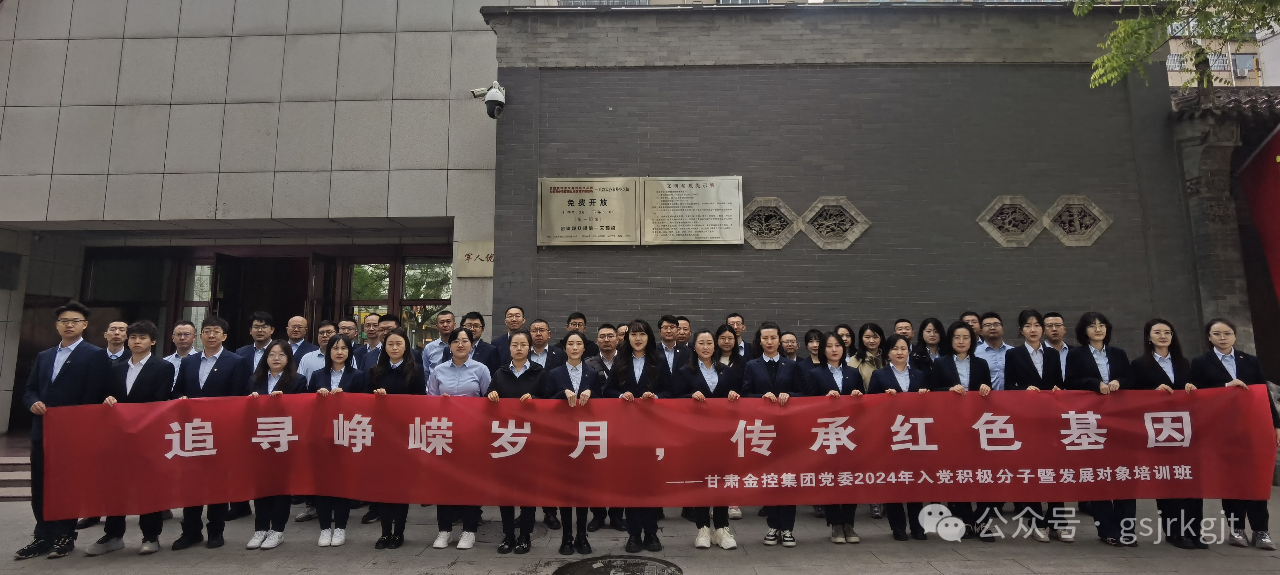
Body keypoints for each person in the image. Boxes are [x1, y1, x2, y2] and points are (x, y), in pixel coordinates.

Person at [15, 302, 110, 560]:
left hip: (73, 433)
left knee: (67, 484)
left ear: (84, 325)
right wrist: (32, 402)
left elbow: (95, 394)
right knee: (40, 483)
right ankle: (42, 535)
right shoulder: (45, 356)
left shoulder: (94, 355)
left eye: (75, 321)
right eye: (64, 321)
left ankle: (65, 535)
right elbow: (30, 389)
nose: (69, 325)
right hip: (43, 430)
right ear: (57, 325)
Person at [83, 320, 174, 557]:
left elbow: (160, 400)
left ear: (152, 341)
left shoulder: (163, 367)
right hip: (118, 438)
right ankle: (113, 534)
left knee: (148, 487)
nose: (136, 341)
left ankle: (151, 535)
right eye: (133, 337)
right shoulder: (117, 368)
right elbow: (106, 395)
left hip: (148, 437)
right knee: (116, 486)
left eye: (142, 337)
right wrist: (108, 400)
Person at [1190, 318, 1280, 550]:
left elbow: (1264, 393)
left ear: (1234, 336)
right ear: (1209, 337)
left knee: (1256, 478)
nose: (1222, 337)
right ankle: (1236, 528)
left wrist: (1275, 424)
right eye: (1217, 334)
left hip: (1252, 428)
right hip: (1221, 430)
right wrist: (1225, 389)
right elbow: (1196, 395)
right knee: (1231, 479)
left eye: (1227, 333)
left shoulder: (1249, 360)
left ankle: (1261, 530)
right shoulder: (1200, 362)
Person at [170, 316, 252, 552]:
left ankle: (216, 531)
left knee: (218, 483)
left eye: (216, 331)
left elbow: (238, 398)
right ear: (201, 336)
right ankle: (191, 531)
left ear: (224, 336)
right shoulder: (189, 361)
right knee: (191, 483)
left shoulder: (236, 362)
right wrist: (180, 399)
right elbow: (177, 390)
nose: (211, 335)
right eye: (207, 331)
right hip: (193, 431)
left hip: (220, 432)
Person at [1130, 319, 1202, 550]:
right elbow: (1133, 396)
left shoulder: (1183, 362)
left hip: (1186, 430)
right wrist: (1153, 393)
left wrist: (1191, 388)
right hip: (1159, 431)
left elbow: (1195, 390)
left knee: (1191, 480)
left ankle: (1195, 532)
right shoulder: (1140, 364)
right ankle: (1174, 532)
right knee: (1168, 481)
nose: (1163, 336)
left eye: (1167, 332)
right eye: (1157, 332)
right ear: (1148, 337)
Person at [1064, 311, 1133, 547]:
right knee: (1098, 475)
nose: (1098, 329)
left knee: (1124, 475)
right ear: (1084, 330)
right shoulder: (1076, 355)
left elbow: (1131, 379)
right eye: (1092, 326)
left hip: (1120, 421)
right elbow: (1070, 382)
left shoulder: (1118, 353)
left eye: (1102, 325)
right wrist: (1095, 384)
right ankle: (1107, 529)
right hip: (1092, 422)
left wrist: (1119, 382)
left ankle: (1127, 529)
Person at [603, 319, 671, 553]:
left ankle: (651, 532)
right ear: (627, 338)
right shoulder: (620, 361)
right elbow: (607, 391)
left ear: (649, 337)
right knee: (631, 484)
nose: (638, 338)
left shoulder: (658, 361)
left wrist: (657, 397)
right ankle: (633, 534)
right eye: (633, 334)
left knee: (650, 484)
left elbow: (670, 391)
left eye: (642, 334)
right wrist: (620, 396)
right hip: (627, 433)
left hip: (652, 432)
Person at [673, 329, 741, 550]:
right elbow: (674, 399)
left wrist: (733, 396)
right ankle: (702, 527)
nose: (705, 347)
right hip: (696, 437)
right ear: (694, 346)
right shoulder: (684, 372)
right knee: (701, 480)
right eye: (701, 343)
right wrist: (689, 397)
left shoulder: (726, 371)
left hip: (722, 435)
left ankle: (721, 528)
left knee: (722, 479)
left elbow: (738, 397)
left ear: (715, 346)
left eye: (709, 342)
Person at [1002, 310, 1066, 543]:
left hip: (1051, 420)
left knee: (1055, 471)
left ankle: (1058, 522)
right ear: (1021, 330)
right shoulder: (1013, 354)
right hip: (1026, 420)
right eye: (1028, 325)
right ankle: (1036, 521)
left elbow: (1059, 383)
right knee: (1032, 471)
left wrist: (1058, 390)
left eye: (1037, 325)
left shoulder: (1052, 354)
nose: (1033, 329)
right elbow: (1009, 386)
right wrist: (1023, 390)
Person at [742, 321, 807, 547]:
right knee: (769, 480)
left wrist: (790, 396)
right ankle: (772, 525)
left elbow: (803, 393)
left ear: (780, 340)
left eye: (773, 338)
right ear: (759, 341)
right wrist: (760, 398)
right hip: (764, 433)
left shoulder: (792, 365)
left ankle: (787, 528)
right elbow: (745, 394)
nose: (769, 342)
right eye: (765, 338)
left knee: (788, 480)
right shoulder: (752, 365)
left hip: (788, 431)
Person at [425, 326, 491, 550]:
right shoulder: (439, 370)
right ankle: (444, 530)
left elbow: (489, 401)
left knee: (471, 482)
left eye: (465, 341)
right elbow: (429, 399)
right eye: (456, 341)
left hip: (472, 435)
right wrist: (440, 402)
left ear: (472, 345)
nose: (460, 344)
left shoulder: (481, 370)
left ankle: (469, 530)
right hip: (444, 434)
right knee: (444, 482)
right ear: (450, 345)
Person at [928, 322, 994, 542]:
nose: (961, 341)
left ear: (972, 340)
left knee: (983, 475)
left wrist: (986, 389)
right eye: (957, 337)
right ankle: (965, 520)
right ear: (950, 340)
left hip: (978, 427)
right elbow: (932, 391)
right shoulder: (941, 363)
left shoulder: (981, 363)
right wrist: (948, 390)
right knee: (960, 474)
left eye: (966, 337)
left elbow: (989, 393)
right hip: (952, 427)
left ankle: (982, 521)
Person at [359, 328, 424, 549]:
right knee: (383, 485)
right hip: (381, 435)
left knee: (401, 487)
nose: (394, 348)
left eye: (398, 344)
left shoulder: (416, 371)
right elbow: (364, 400)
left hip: (405, 436)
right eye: (390, 344)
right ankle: (385, 532)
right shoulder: (375, 371)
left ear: (406, 346)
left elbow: (421, 401)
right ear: (384, 347)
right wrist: (375, 398)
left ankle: (399, 532)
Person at [488, 330, 548, 554]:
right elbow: (489, 397)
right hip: (505, 439)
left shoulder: (539, 372)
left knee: (527, 490)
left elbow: (550, 401)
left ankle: (525, 536)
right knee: (505, 490)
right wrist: (491, 396)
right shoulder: (500, 373)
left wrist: (536, 400)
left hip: (531, 439)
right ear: (510, 348)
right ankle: (508, 535)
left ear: (529, 348)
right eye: (515, 345)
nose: (519, 348)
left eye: (523, 344)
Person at [246, 341, 307, 551]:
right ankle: (260, 528)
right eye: (272, 354)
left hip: (284, 440)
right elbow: (244, 410)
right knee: (262, 485)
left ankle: (277, 530)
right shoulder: (255, 380)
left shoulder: (298, 380)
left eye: (281, 355)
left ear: (289, 358)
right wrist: (251, 400)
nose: (276, 358)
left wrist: (285, 401)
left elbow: (302, 409)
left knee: (281, 486)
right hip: (261, 439)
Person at [867, 334, 929, 541]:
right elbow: (871, 404)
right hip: (890, 435)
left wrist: (925, 395)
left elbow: (930, 406)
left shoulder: (919, 374)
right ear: (888, 352)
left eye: (903, 348)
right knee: (894, 481)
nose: (900, 352)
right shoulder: (879, 375)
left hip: (915, 435)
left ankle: (918, 526)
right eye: (895, 348)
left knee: (915, 481)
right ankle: (898, 527)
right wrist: (884, 398)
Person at [806, 331, 864, 545]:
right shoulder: (815, 373)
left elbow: (864, 403)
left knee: (849, 479)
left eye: (837, 345)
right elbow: (807, 403)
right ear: (823, 350)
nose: (834, 349)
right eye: (829, 346)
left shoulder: (853, 372)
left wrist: (858, 397)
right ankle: (835, 524)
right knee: (830, 478)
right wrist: (824, 399)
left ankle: (849, 523)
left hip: (850, 434)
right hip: (827, 433)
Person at [308, 334, 363, 548]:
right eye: (335, 348)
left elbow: (363, 405)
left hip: (346, 436)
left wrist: (346, 397)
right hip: (321, 437)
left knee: (342, 484)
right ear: (328, 351)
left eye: (344, 348)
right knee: (323, 484)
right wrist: (317, 396)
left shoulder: (357, 376)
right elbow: (306, 405)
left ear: (349, 352)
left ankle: (340, 527)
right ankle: (324, 528)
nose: (339, 352)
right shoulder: (317, 375)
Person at [77, 318, 132, 530]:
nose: (117, 332)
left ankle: (117, 515)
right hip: (94, 421)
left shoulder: (133, 358)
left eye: (122, 330)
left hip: (123, 423)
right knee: (94, 471)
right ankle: (92, 512)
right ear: (105, 334)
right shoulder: (93, 357)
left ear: (127, 336)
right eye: (113, 329)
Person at [548, 331, 599, 556]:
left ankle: (582, 535)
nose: (575, 347)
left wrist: (591, 393)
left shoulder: (592, 373)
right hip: (562, 438)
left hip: (585, 439)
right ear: (565, 348)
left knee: (583, 489)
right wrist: (562, 393)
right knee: (566, 490)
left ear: (584, 348)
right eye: (571, 343)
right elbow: (546, 402)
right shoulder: (554, 373)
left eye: (579, 343)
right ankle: (567, 536)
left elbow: (603, 403)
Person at [583, 323, 626, 532]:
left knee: (619, 471)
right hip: (595, 424)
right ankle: (598, 514)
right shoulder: (588, 363)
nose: (606, 340)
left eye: (610, 336)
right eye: (602, 336)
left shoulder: (626, 361)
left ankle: (617, 515)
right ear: (597, 340)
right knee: (595, 471)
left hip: (621, 424)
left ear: (617, 339)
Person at [711, 323, 748, 522]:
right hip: (712, 417)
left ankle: (733, 501)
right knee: (714, 459)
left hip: (736, 416)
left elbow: (748, 387)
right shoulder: (710, 360)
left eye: (730, 338)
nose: (727, 342)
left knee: (733, 460)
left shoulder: (743, 362)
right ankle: (713, 499)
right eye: (723, 338)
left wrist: (738, 395)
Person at [974, 312, 1014, 391]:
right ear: (981, 331)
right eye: (987, 325)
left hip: (1011, 396)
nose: (992, 328)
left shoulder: (1013, 352)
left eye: (996, 324)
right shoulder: (974, 353)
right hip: (985, 396)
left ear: (1003, 330)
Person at [848, 323, 884, 390]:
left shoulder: (888, 359)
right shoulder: (855, 361)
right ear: (861, 338)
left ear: (881, 338)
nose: (871, 341)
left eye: (875, 337)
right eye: (867, 337)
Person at [1043, 312, 1070, 382]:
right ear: (1043, 331)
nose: (1054, 329)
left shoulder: (1074, 352)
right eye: (1049, 326)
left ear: (1064, 330)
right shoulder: (1039, 352)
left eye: (1058, 325)